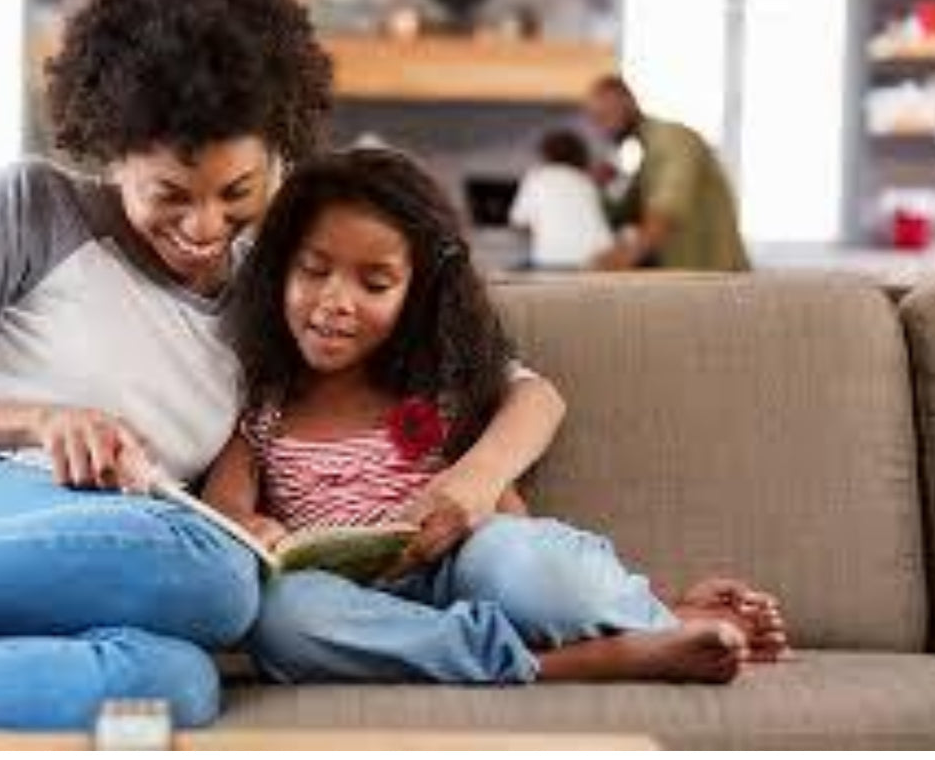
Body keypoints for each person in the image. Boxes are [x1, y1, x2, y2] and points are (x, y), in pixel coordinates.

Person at [0, 0, 568, 730]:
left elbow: (523, 393)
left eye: (237, 193)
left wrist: (474, 478)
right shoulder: (32, 209)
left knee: (176, 685)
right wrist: (36, 420)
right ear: (111, 151)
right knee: (214, 572)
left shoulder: (285, 284)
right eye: (170, 195)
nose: (205, 228)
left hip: (50, 594)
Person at [204, 147, 790, 687]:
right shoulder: (265, 407)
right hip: (351, 604)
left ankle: (657, 612)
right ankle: (582, 658)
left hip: (460, 571)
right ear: (279, 270)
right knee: (281, 618)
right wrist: (250, 528)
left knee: (515, 561)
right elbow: (225, 506)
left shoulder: (431, 393)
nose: (336, 301)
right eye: (313, 271)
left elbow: (511, 523)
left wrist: (485, 507)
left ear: (418, 293)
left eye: (375, 283)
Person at [583, 75, 751, 272]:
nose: (601, 128)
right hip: (694, 279)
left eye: (604, 116)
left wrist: (619, 259)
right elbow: (623, 214)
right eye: (595, 120)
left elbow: (665, 211)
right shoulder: (647, 157)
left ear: (627, 101)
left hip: (718, 280)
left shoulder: (671, 139)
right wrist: (599, 185)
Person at [508, 129, 613, 269]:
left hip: (551, 260)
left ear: (546, 155)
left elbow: (518, 222)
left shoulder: (536, 177)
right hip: (596, 259)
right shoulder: (586, 180)